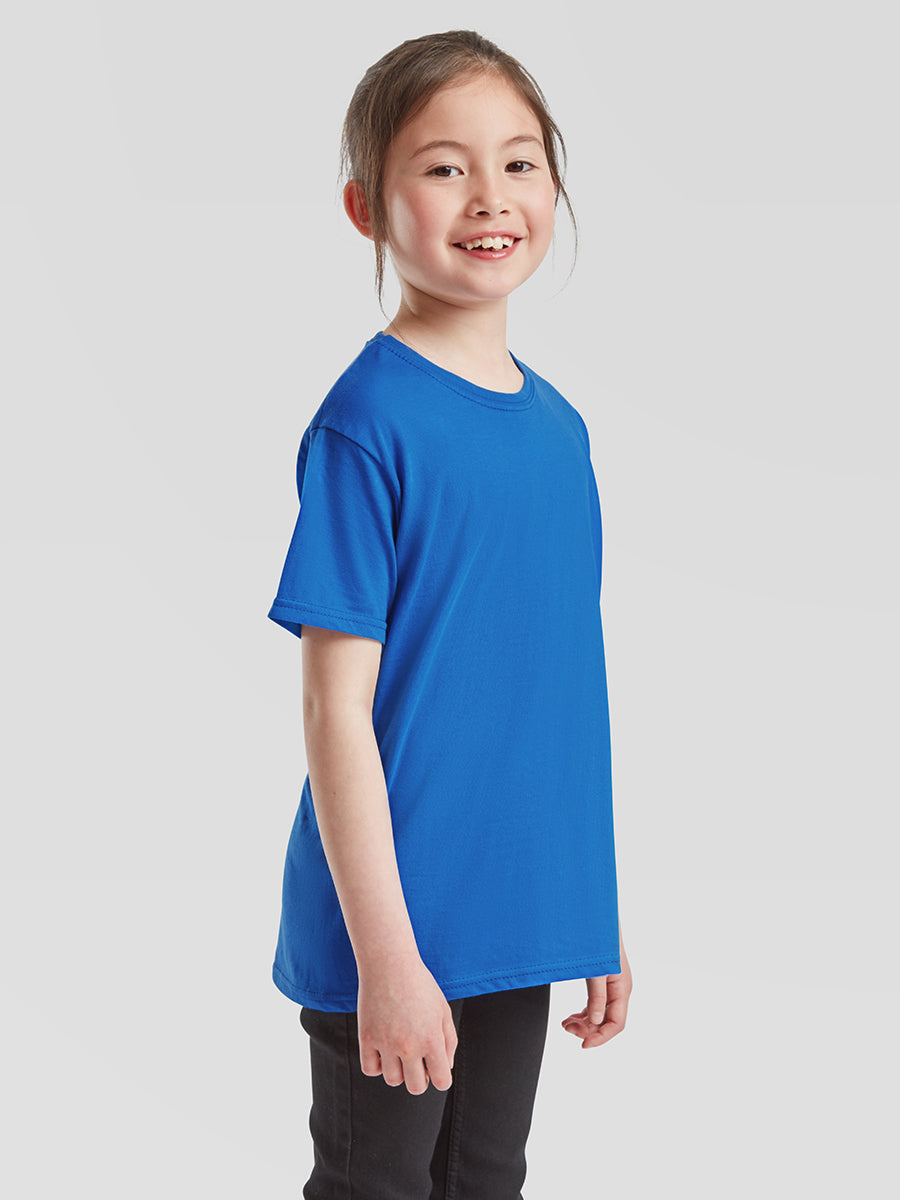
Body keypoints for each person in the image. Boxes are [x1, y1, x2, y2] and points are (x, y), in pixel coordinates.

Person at [267, 29, 633, 1199]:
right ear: (364, 208)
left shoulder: (560, 432)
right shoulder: (367, 425)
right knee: (377, 1185)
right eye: (442, 167)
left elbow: (554, 694)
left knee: (486, 1180)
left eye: (520, 162)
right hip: (395, 928)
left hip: (516, 916)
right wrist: (385, 955)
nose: (489, 197)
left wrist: (589, 907)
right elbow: (334, 712)